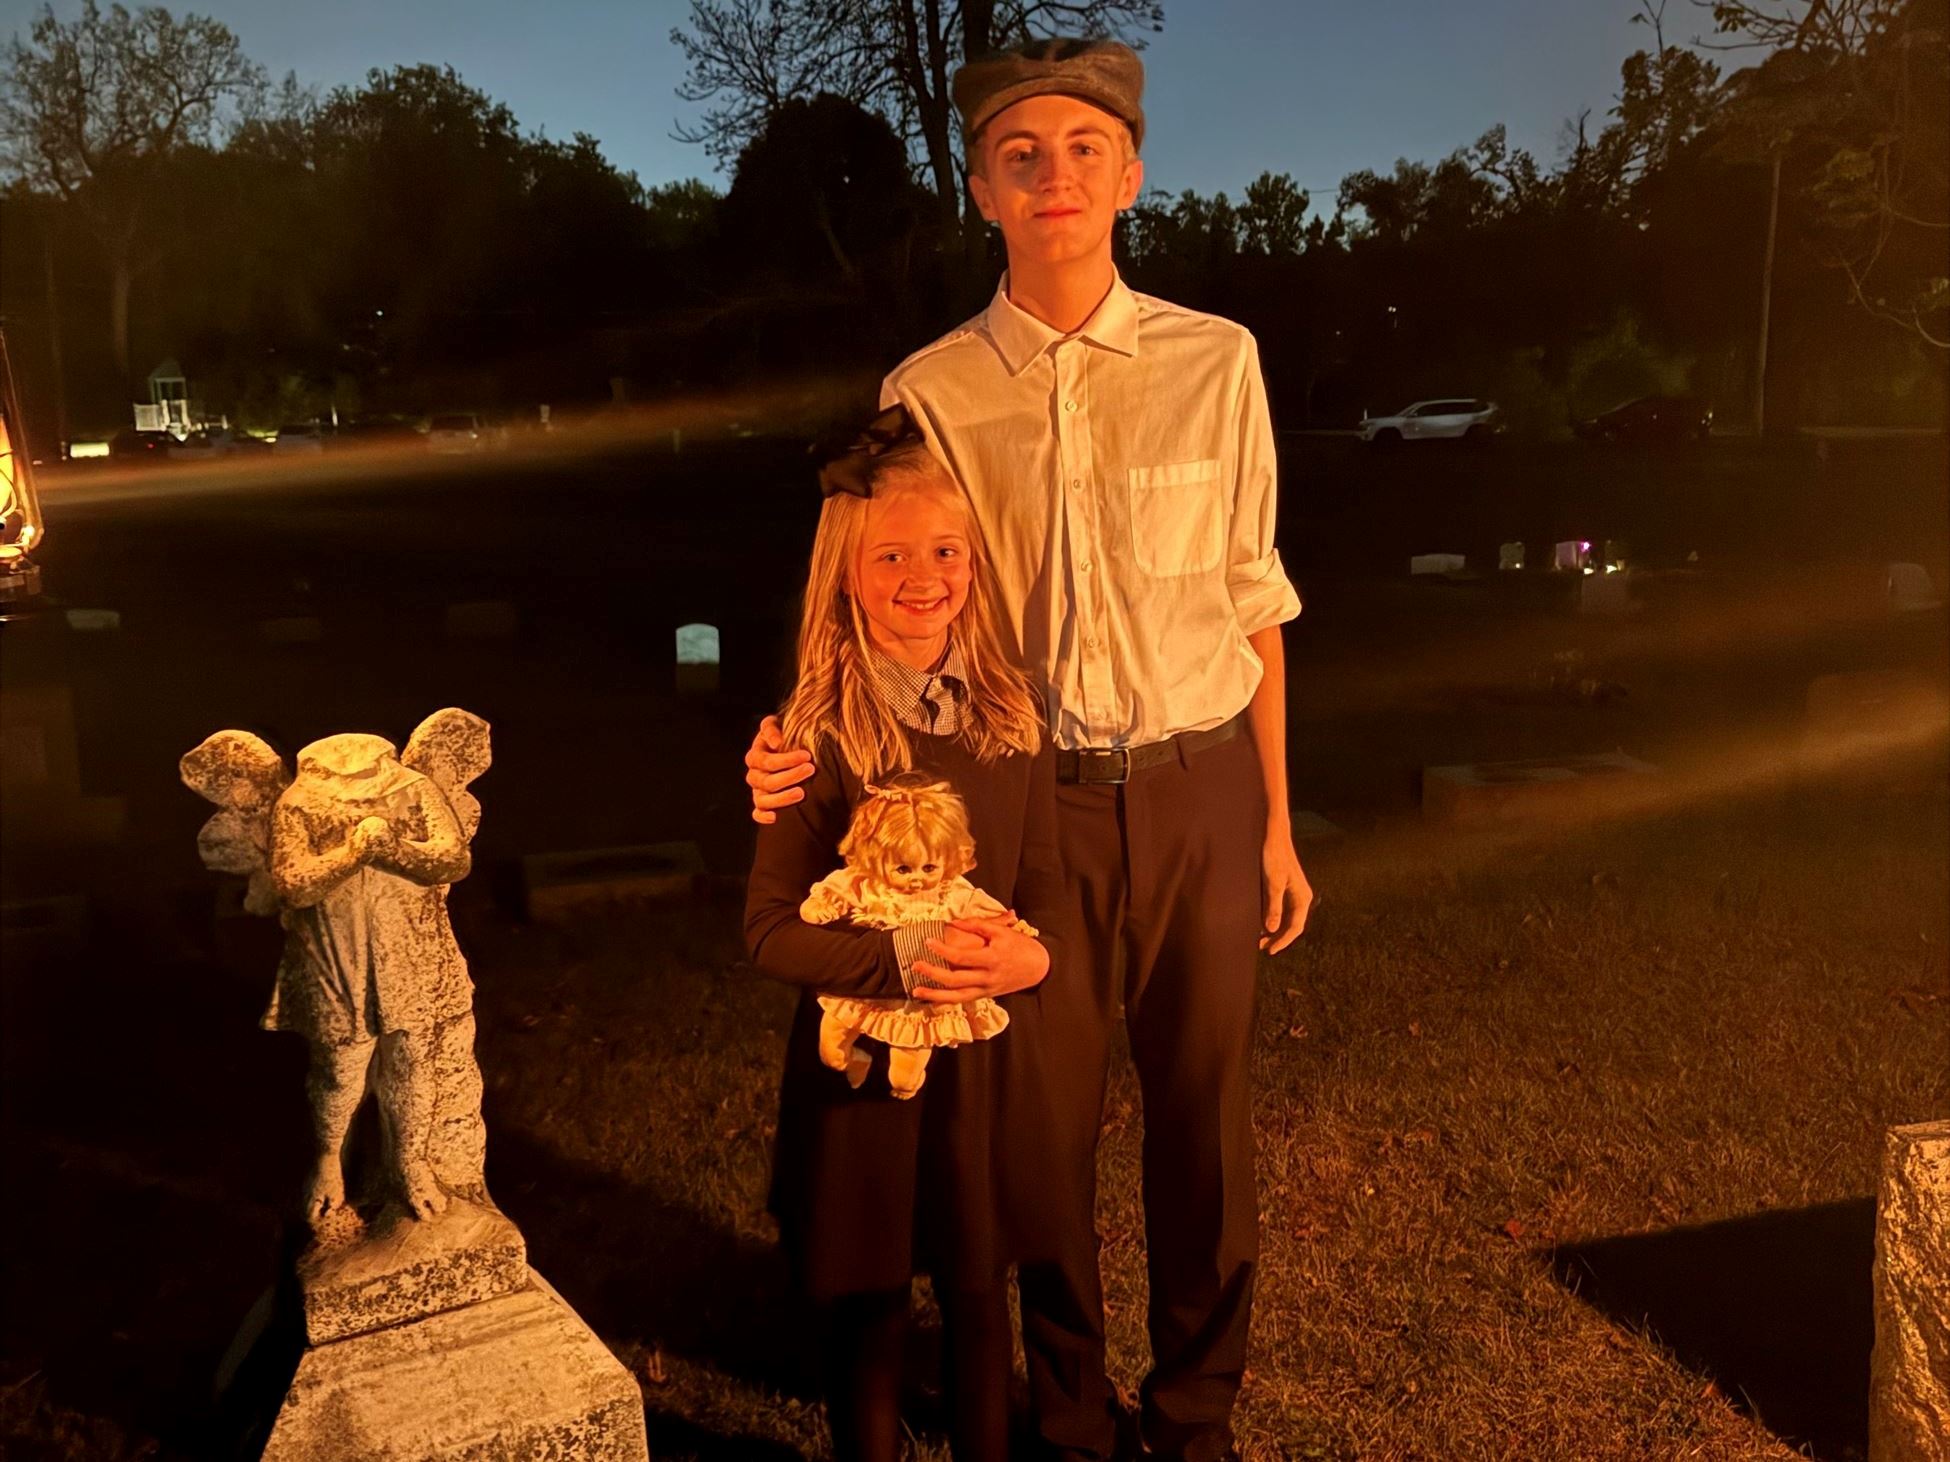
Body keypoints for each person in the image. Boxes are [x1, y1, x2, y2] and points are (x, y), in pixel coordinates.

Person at [746, 38, 1313, 1462]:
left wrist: (1277, 822)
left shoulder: (1214, 361)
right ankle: (1068, 1409)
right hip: (1031, 804)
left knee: (1203, 1129)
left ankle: (1193, 1416)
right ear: (982, 193)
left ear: (1127, 174)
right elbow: (879, 584)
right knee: (1036, 1136)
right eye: (1018, 156)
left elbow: (1255, 602)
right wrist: (801, 746)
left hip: (1197, 789)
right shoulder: (930, 387)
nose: (1052, 177)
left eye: (1080, 150)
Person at [744, 418, 1067, 1462]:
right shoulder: (812, 731)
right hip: (861, 1082)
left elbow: (1046, 881)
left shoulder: (1012, 718)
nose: (922, 577)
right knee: (872, 1307)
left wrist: (1037, 957)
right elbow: (767, 930)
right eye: (890, 555)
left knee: (980, 1297)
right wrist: (896, 964)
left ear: (974, 564)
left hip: (980, 1069)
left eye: (945, 552)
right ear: (845, 575)